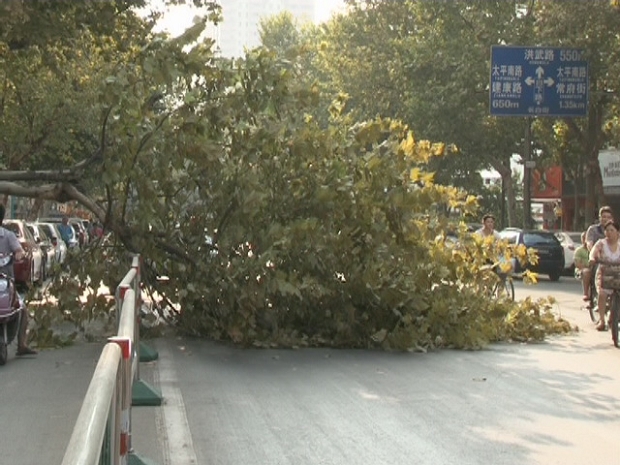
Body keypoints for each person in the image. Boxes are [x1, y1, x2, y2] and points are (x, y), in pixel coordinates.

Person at [0, 204, 37, 355]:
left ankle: (21, 345)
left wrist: (18, 255)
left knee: (22, 309)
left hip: (6, 282)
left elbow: (19, 251)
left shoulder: (8, 236)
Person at [589, 220, 620, 331]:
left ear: (618, 232)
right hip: (604, 274)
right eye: (607, 230)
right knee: (602, 294)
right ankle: (602, 320)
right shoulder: (601, 243)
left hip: (618, 274)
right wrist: (592, 258)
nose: (609, 233)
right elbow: (593, 251)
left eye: (612, 230)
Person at [584, 206, 613, 304]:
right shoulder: (593, 229)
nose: (605, 219)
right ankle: (588, 294)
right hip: (596, 259)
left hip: (612, 259)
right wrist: (594, 254)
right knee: (588, 272)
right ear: (599, 217)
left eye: (608, 217)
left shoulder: (615, 230)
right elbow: (589, 243)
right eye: (603, 216)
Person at [573, 232, 590, 301]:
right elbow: (578, 264)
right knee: (586, 272)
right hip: (582, 270)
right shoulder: (579, 250)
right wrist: (587, 266)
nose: (585, 240)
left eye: (586, 238)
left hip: (594, 268)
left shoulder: (593, 249)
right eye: (583, 238)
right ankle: (586, 293)